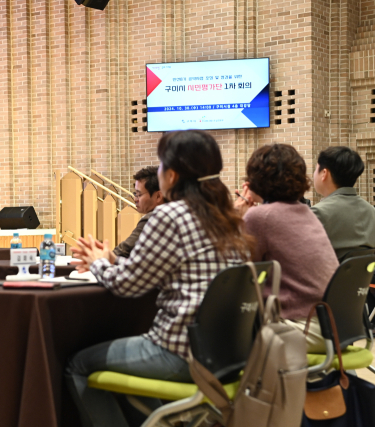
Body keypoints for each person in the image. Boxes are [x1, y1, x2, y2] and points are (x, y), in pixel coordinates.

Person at [66, 130, 253, 427]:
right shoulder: (227, 217)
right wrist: (111, 258)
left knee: (77, 365)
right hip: (229, 353)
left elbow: (126, 285)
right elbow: (158, 266)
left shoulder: (169, 215)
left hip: (180, 352)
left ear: (172, 175)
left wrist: (98, 264)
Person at [235, 144, 338, 352]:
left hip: (302, 328)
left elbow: (236, 272)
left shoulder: (260, 216)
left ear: (255, 181)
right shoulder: (304, 211)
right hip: (335, 325)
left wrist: (237, 219)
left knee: (215, 331)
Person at [311, 146, 375, 261]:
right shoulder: (372, 211)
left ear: (324, 173)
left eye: (316, 169)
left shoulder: (317, 214)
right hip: (363, 279)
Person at [113, 166, 164, 258]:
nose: (135, 199)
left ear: (158, 196)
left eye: (139, 194)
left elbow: (122, 252)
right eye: (135, 194)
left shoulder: (153, 218)